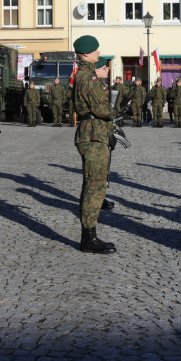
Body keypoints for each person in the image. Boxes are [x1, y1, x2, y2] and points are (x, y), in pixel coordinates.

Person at [72, 35, 117, 254]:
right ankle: (88, 238)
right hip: (92, 134)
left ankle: (89, 234)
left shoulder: (87, 76)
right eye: (96, 51)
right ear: (87, 54)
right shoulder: (86, 78)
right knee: (94, 184)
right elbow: (101, 108)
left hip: (94, 133)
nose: (99, 54)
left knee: (94, 183)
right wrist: (113, 111)